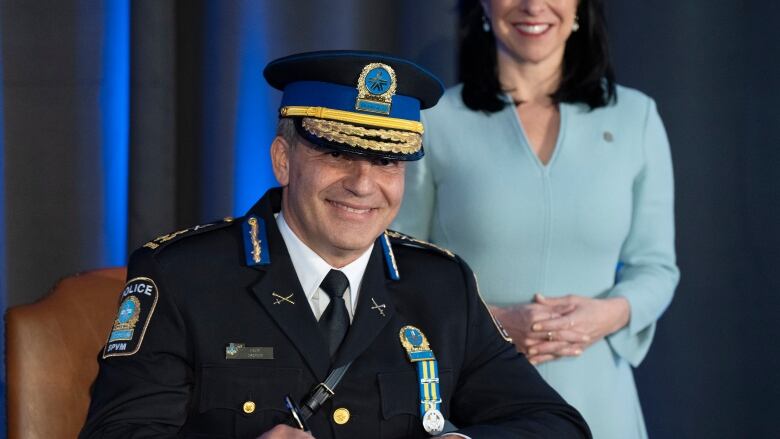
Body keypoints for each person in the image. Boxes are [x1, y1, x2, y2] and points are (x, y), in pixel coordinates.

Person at [80, 51, 590, 439]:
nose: (364, 184)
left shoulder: (440, 284)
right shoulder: (183, 276)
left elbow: (555, 424)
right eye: (338, 153)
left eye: (387, 161)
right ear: (283, 160)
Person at [392, 1, 679, 438]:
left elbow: (656, 267)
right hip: (478, 400)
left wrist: (607, 314)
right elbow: (401, 267)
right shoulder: (434, 120)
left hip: (602, 402)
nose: (532, 5)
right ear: (483, 7)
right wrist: (493, 325)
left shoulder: (635, 117)